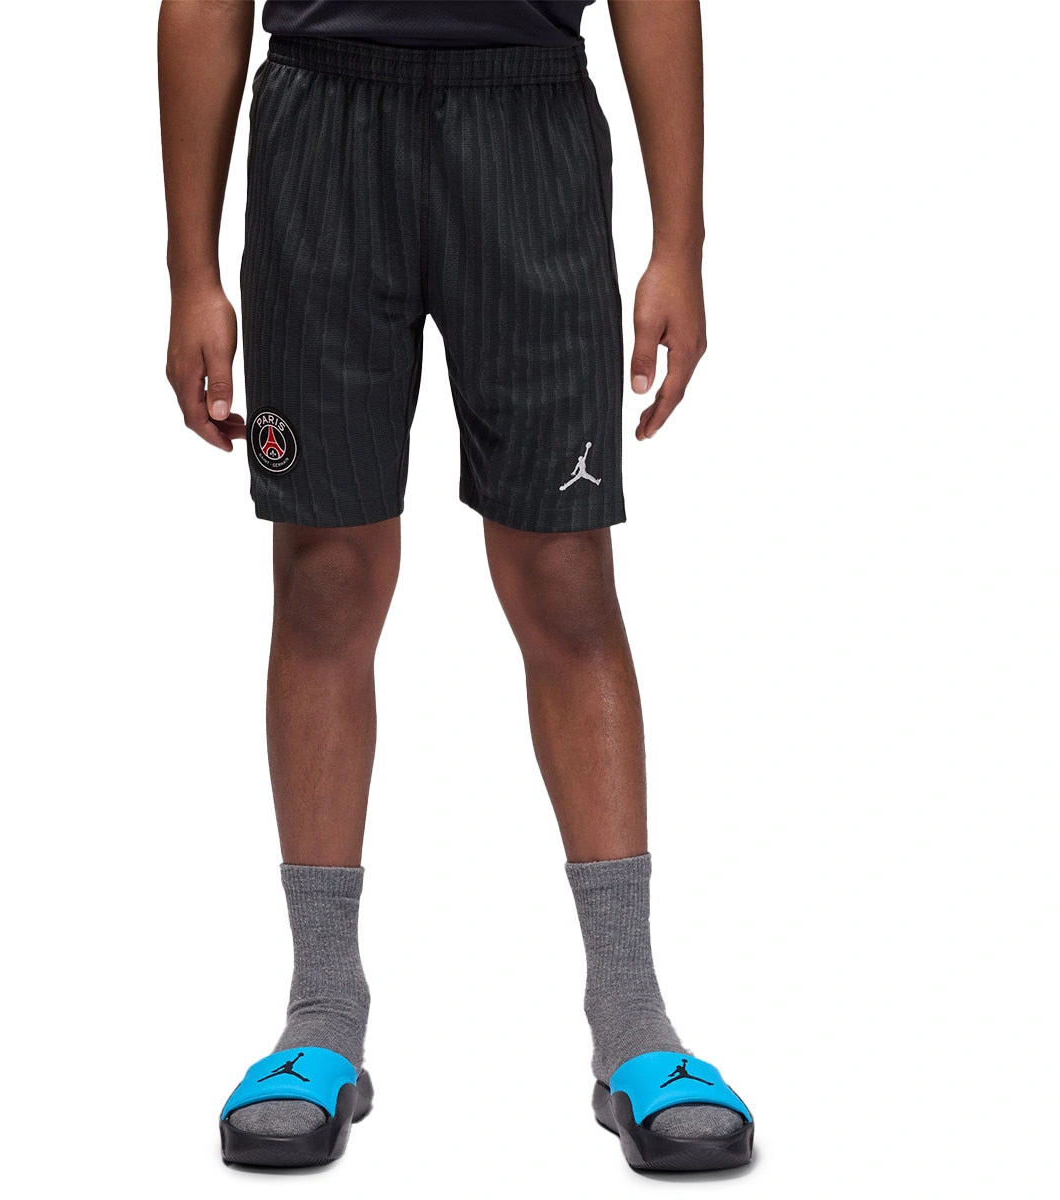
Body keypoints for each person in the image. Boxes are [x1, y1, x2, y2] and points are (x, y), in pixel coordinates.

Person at [158, 0, 753, 1172]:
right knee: (325, 576)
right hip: (322, 125)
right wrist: (190, 272)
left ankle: (630, 1016)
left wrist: (679, 243)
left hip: (528, 122)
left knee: (565, 573)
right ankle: (322, 1011)